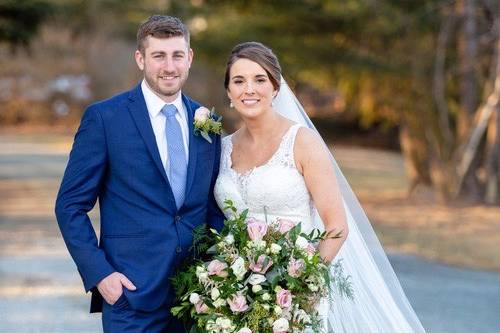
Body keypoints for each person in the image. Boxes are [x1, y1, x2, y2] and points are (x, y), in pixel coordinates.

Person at [214, 42, 427, 332]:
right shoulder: (221, 150)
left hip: (294, 297)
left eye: (259, 79)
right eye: (239, 81)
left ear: (276, 88)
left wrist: (298, 284)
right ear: (228, 92)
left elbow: (337, 226)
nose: (249, 89)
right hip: (236, 296)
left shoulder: (302, 142)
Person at [55, 15, 224, 333]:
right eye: (159, 56)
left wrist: (220, 271)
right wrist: (101, 275)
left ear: (189, 58)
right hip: (130, 297)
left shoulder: (207, 123)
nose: (169, 67)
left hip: (198, 299)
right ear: (140, 59)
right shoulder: (105, 119)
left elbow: (212, 207)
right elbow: (69, 206)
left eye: (177, 55)